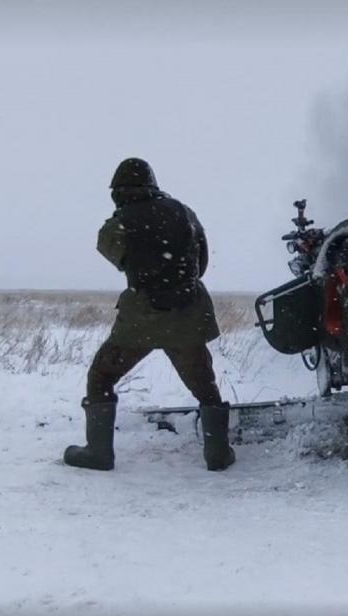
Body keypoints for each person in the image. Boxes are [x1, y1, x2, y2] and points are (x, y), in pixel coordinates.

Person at [63, 157, 234, 472]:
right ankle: (218, 453)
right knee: (205, 387)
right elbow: (202, 263)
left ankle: (98, 453)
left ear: (117, 192)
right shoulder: (184, 213)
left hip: (142, 318)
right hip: (187, 315)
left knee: (102, 376)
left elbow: (115, 254)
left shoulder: (118, 224)